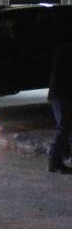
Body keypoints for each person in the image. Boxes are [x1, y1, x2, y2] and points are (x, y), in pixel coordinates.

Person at [47, 40, 72, 174]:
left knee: (65, 128)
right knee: (64, 128)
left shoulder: (63, 49)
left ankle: (57, 160)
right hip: (62, 95)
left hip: (60, 95)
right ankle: (55, 161)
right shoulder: (66, 51)